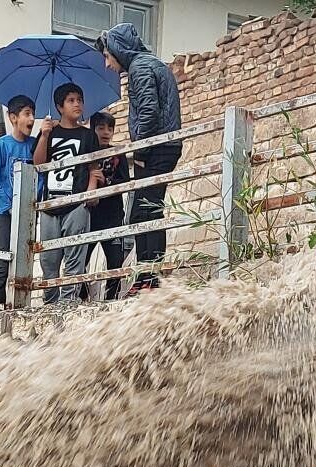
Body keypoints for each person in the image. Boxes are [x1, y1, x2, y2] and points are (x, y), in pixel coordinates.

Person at [96, 23, 182, 293]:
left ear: (118, 51)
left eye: (108, 56)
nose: (107, 64)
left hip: (156, 148)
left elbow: (148, 114)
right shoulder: (149, 64)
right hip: (162, 146)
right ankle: (147, 277)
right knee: (143, 210)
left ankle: (150, 279)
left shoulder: (140, 68)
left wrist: (141, 152)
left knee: (147, 210)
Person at [32, 82, 101, 305]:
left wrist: (90, 193)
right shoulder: (50, 132)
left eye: (79, 100)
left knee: (75, 255)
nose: (77, 104)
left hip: (76, 202)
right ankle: (50, 303)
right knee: (49, 259)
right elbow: (38, 164)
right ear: (59, 106)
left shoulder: (88, 135)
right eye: (71, 101)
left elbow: (94, 168)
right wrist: (43, 135)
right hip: (51, 203)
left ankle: (68, 301)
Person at [0, 95, 37, 307]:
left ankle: (23, 303)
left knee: (27, 256)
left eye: (33, 114)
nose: (32, 119)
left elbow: (40, 175)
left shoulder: (35, 145)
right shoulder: (1, 146)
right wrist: (7, 205)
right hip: (5, 212)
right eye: (27, 114)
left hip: (29, 210)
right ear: (13, 117)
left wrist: (33, 199)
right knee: (4, 258)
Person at [87, 111, 131, 301]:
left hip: (112, 216)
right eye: (100, 128)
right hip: (89, 216)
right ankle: (82, 296)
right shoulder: (86, 155)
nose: (106, 132)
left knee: (115, 260)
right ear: (92, 130)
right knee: (81, 259)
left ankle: (111, 298)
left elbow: (125, 182)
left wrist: (105, 182)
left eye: (110, 128)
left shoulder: (118, 155)